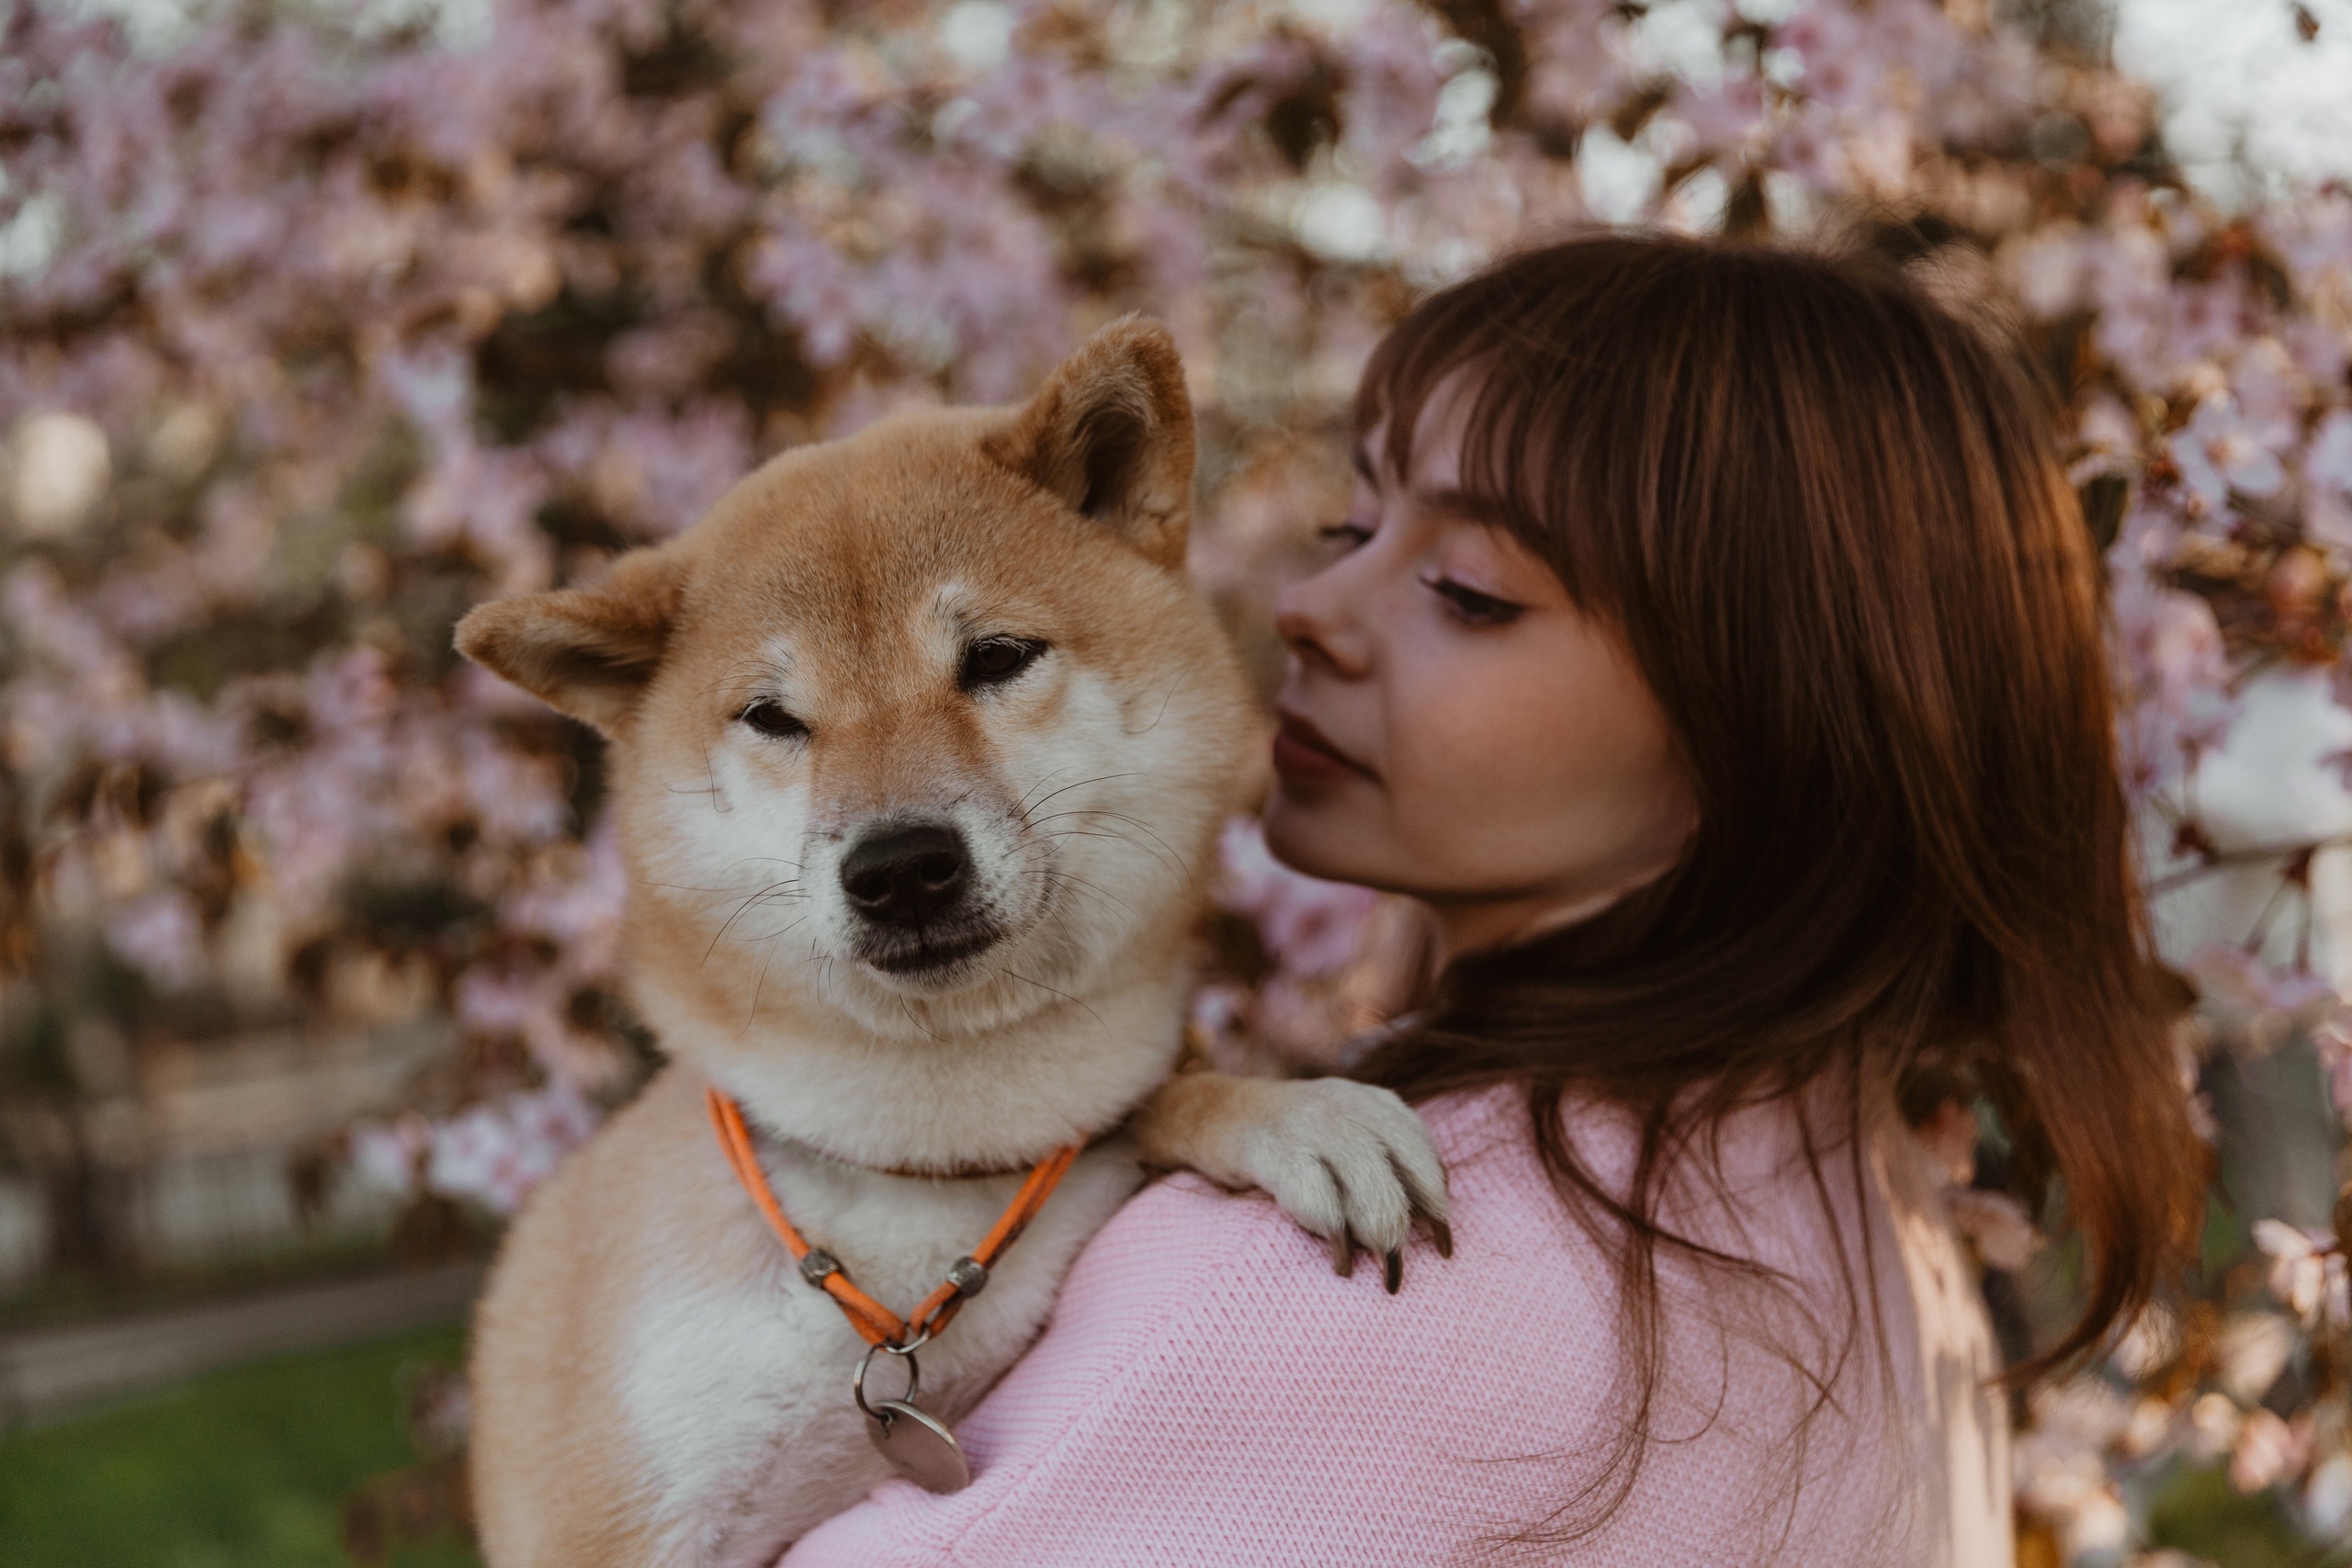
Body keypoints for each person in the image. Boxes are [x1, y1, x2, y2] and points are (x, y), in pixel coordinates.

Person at [781, 233, 2201, 1566]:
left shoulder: (1338, 1280)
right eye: (1354, 521)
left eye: (1467, 591)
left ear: (1773, 729)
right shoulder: (1885, 1222)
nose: (1310, 608)